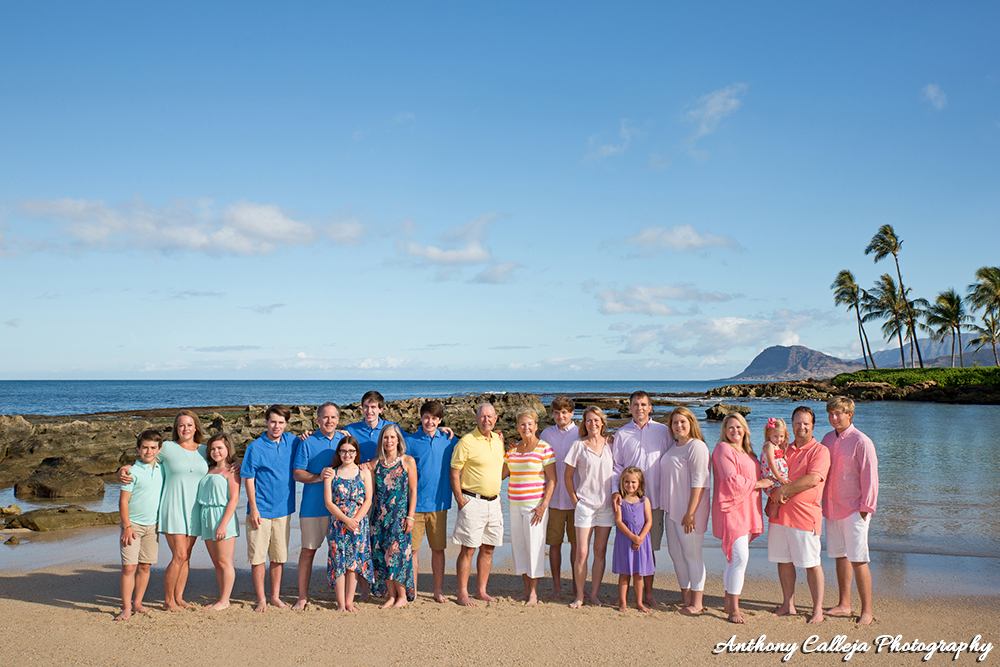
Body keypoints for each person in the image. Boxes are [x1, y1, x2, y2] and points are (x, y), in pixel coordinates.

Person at [120, 410, 209, 611]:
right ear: (176, 429)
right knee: (179, 555)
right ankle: (168, 600)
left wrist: (235, 468)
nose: (185, 429)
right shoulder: (168, 448)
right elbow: (146, 459)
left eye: (189, 425)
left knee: (187, 555)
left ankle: (179, 597)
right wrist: (123, 469)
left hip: (195, 509)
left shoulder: (205, 450)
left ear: (196, 427)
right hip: (173, 507)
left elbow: (221, 462)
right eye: (181, 425)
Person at [768, 406, 830, 624]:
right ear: (791, 425)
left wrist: (783, 490)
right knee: (783, 560)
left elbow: (813, 479)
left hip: (804, 517)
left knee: (812, 563)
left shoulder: (820, 451)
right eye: (797, 423)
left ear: (813, 425)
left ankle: (818, 610)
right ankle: (788, 604)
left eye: (806, 423)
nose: (801, 427)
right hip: (779, 515)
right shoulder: (784, 447)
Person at [611, 390, 672, 606]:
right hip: (627, 504)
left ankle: (648, 594)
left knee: (648, 549)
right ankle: (624, 596)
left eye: (644, 404)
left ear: (650, 407)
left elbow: (671, 460)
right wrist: (615, 492)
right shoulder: (621, 434)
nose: (640, 408)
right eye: (636, 404)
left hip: (653, 501)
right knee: (627, 547)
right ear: (629, 407)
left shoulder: (663, 432)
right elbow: (616, 466)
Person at [712, 412, 773, 624]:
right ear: (724, 430)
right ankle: (734, 609)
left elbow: (760, 473)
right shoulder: (722, 449)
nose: (735, 431)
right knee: (740, 558)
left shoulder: (749, 453)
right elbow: (731, 479)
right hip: (732, 509)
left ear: (745, 429)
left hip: (748, 509)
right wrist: (760, 484)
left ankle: (729, 604)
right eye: (730, 427)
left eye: (739, 427)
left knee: (734, 559)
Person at [822, 396, 879, 626]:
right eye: (831, 414)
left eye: (838, 414)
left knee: (858, 559)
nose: (834, 418)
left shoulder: (861, 441)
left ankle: (867, 611)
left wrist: (866, 509)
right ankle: (844, 604)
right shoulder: (827, 439)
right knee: (840, 556)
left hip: (855, 510)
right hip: (831, 508)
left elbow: (870, 477)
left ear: (849, 415)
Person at [241, 404, 300, 612]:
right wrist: (253, 509)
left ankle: (275, 596)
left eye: (281, 423)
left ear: (286, 424)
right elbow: (248, 478)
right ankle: (261, 599)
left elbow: (310, 442)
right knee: (257, 557)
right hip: (260, 510)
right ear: (266, 422)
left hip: (284, 510)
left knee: (278, 556)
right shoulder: (255, 447)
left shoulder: (292, 441)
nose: (277, 426)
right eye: (273, 422)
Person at [450, 402, 505, 606]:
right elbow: (454, 472)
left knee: (489, 548)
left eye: (490, 416)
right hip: (472, 501)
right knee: (469, 549)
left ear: (496, 418)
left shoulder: (499, 441)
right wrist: (461, 500)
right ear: (476, 418)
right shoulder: (466, 441)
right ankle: (462, 593)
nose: (486, 420)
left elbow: (501, 468)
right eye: (483, 416)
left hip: (495, 503)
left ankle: (481, 590)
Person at [403, 399, 458, 603]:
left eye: (434, 418)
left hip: (439, 504)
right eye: (426, 417)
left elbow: (470, 448)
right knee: (413, 550)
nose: (430, 422)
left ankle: (438, 591)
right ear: (420, 417)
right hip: (414, 506)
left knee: (438, 550)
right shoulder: (409, 441)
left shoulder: (449, 440)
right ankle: (413, 590)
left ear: (440, 420)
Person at [291, 402, 344, 610]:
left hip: (340, 510)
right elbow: (297, 473)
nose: (329, 421)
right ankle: (302, 597)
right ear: (318, 419)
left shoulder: (345, 440)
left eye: (333, 417)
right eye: (325, 417)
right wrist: (318, 477)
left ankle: (343, 597)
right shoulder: (307, 442)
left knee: (339, 553)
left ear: (338, 420)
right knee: (308, 552)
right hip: (313, 508)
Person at [659, 406, 710, 616]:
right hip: (671, 510)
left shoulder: (696, 446)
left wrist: (690, 512)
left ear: (691, 423)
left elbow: (699, 482)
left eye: (683, 422)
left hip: (689, 511)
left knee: (692, 555)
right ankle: (686, 597)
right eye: (674, 422)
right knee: (675, 553)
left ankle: (697, 603)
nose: (678, 426)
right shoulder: (673, 447)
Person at [502, 407, 556, 606]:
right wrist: (501, 448)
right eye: (522, 424)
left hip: (535, 507)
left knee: (535, 547)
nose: (526, 427)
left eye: (530, 424)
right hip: (514, 505)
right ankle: (525, 590)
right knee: (520, 547)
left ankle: (533, 592)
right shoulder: (513, 451)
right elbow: (501, 474)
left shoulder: (544, 448)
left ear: (536, 426)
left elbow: (552, 480)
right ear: (517, 427)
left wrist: (543, 506)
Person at [564, 406, 614, 609]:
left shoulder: (611, 444)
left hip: (606, 507)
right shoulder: (578, 445)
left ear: (602, 422)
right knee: (582, 553)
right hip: (585, 505)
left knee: (600, 552)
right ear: (584, 424)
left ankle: (593, 595)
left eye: (596, 420)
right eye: (588, 421)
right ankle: (579, 596)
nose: (592, 424)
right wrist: (575, 501)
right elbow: (568, 476)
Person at [115, 429, 164, 621]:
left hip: (153, 526)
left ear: (159, 449)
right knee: (129, 567)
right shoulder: (131, 472)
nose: (149, 451)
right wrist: (127, 527)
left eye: (153, 448)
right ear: (138, 449)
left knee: (145, 566)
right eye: (145, 448)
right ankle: (126, 607)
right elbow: (123, 502)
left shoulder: (162, 468)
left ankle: (138, 603)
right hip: (132, 526)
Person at [324, 436, 373, 612]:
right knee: (339, 562)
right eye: (344, 451)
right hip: (338, 523)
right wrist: (346, 520)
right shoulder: (332, 473)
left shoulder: (364, 472)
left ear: (356, 453)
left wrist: (356, 521)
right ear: (339, 452)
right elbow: (329, 503)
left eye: (351, 451)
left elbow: (368, 500)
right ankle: (340, 603)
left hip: (359, 523)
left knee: (353, 563)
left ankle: (349, 601)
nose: (347, 454)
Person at [371, 424, 417, 609]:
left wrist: (410, 516)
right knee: (382, 556)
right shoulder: (375, 464)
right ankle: (390, 596)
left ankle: (402, 596)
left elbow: (413, 491)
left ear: (398, 440)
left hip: (399, 518)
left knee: (397, 556)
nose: (389, 441)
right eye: (385, 437)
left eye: (392, 437)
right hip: (378, 518)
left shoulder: (407, 461)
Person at [539, 396, 580, 599]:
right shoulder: (546, 433)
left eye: (564, 412)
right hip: (553, 499)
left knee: (576, 545)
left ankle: (576, 586)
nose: (560, 416)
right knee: (554, 544)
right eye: (556, 412)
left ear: (572, 413)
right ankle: (557, 586)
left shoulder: (581, 432)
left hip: (577, 500)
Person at [197, 432, 240, 611]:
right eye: (213, 448)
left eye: (220, 448)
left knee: (225, 562)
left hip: (223, 517)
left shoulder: (232, 470)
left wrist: (223, 524)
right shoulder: (207, 468)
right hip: (206, 516)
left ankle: (225, 600)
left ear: (227, 449)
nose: (216, 451)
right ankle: (222, 597)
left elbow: (234, 498)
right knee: (217, 563)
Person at [612, 466, 653, 613]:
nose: (630, 485)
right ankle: (623, 603)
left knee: (638, 574)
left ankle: (639, 603)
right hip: (625, 540)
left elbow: (649, 521)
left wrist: (640, 538)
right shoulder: (620, 500)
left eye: (633, 482)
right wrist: (632, 537)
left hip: (641, 542)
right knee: (625, 574)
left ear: (640, 483)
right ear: (622, 482)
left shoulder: (644, 500)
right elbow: (618, 522)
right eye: (627, 482)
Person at [345, 390, 399, 464]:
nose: (369, 411)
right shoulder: (350, 430)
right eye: (366, 406)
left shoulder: (391, 428)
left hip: (385, 471)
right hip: (360, 472)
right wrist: (336, 433)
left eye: (373, 407)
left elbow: (409, 443)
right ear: (362, 407)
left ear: (380, 409)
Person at [761, 417, 791, 497]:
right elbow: (771, 463)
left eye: (781, 436)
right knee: (786, 491)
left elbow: (777, 459)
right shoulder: (769, 446)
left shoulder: (777, 446)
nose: (778, 439)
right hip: (772, 477)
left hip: (777, 476)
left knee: (781, 496)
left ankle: (773, 508)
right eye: (775, 436)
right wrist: (779, 477)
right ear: (768, 434)